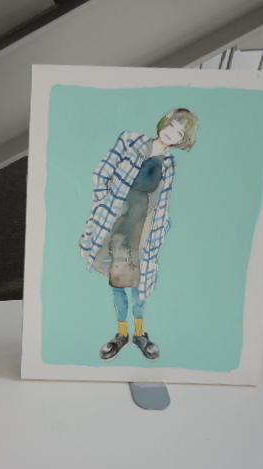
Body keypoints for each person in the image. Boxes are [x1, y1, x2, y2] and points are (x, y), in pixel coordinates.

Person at [79, 108, 199, 361]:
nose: (172, 133)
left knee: (140, 282)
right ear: (165, 121)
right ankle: (122, 334)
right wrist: (104, 205)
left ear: (183, 141)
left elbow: (163, 201)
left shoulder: (171, 164)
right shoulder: (130, 140)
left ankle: (140, 334)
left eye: (179, 133)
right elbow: (101, 172)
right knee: (118, 281)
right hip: (117, 221)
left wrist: (160, 227)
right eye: (172, 125)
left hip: (144, 226)